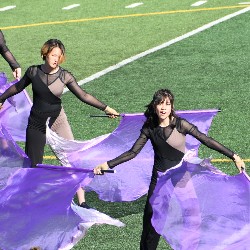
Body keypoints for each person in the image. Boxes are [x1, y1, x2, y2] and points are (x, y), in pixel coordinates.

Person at [94, 89, 245, 250]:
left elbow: (206, 140)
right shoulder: (150, 128)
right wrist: (108, 164)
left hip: (181, 177)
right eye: (160, 103)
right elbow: (133, 152)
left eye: (167, 103)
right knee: (152, 219)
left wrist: (233, 155)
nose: (163, 107)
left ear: (172, 106)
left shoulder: (181, 124)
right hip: (159, 179)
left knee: (192, 217)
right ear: (154, 106)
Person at [0, 38, 119, 209]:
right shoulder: (33, 72)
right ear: (45, 54)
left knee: (71, 159)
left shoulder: (65, 76)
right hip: (36, 123)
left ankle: (82, 200)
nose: (56, 59)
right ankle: (28, 202)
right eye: (53, 55)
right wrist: (1, 98)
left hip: (58, 120)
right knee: (33, 165)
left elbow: (83, 95)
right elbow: (18, 87)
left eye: (59, 56)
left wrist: (106, 108)